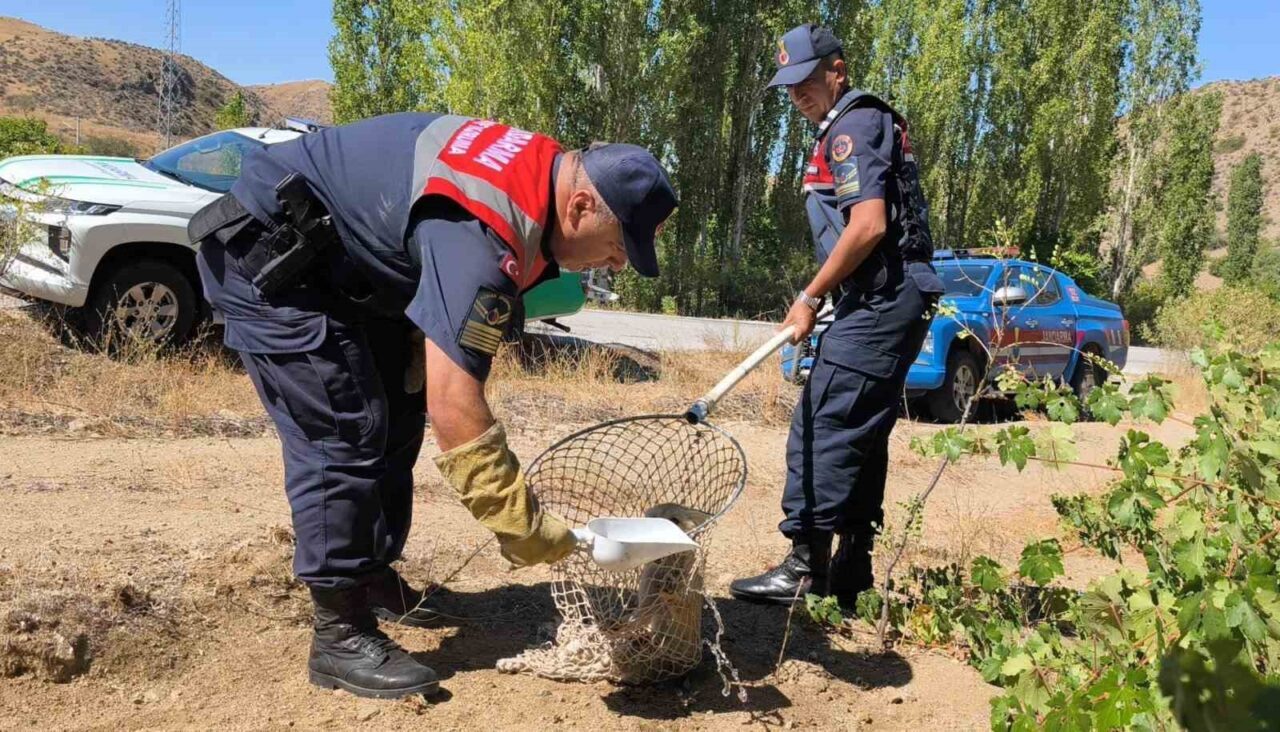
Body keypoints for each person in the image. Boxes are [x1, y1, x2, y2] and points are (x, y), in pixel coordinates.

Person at [189, 112, 677, 699]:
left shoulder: (543, 176)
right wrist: (518, 521)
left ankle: (371, 576)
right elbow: (457, 408)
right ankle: (339, 632)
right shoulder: (488, 228)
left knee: (400, 404)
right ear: (579, 209)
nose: (618, 265)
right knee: (343, 431)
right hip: (270, 261)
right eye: (620, 246)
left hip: (344, 268)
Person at [729, 24, 944, 608]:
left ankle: (804, 567)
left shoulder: (851, 124)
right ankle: (851, 571)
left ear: (837, 70)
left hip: (883, 299)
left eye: (805, 80)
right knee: (861, 430)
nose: (797, 94)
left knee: (823, 420)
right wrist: (830, 293)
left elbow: (869, 224)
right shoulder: (853, 123)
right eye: (788, 86)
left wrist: (809, 294)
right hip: (882, 296)